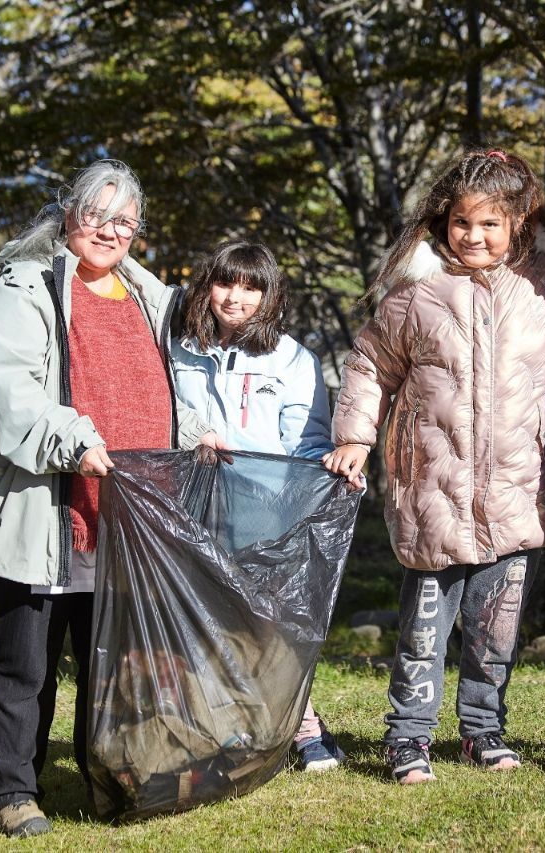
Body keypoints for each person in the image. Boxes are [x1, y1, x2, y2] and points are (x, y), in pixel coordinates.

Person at [0, 159, 223, 837]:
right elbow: (9, 389)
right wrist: (73, 443)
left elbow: (163, 390)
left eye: (125, 222)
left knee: (110, 668)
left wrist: (195, 432)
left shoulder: (148, 295)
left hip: (125, 513)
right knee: (26, 664)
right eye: (97, 215)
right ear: (70, 213)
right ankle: (14, 788)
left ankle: (105, 779)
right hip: (45, 506)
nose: (110, 231)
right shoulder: (27, 281)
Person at [325, 148, 545, 784]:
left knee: (497, 627)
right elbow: (371, 365)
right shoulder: (417, 291)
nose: (475, 236)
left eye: (491, 223)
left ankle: (483, 728)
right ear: (443, 222)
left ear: (517, 222)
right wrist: (354, 435)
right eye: (463, 223)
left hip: (516, 486)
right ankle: (409, 736)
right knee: (425, 627)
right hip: (433, 486)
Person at [169, 239, 345, 772]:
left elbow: (307, 442)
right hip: (193, 507)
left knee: (273, 622)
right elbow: (165, 411)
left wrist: (327, 476)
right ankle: (220, 728)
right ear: (207, 287)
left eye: (252, 287)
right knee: (207, 623)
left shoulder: (293, 359)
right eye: (226, 283)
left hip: (264, 512)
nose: (236, 298)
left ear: (270, 297)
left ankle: (303, 725)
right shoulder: (178, 348)